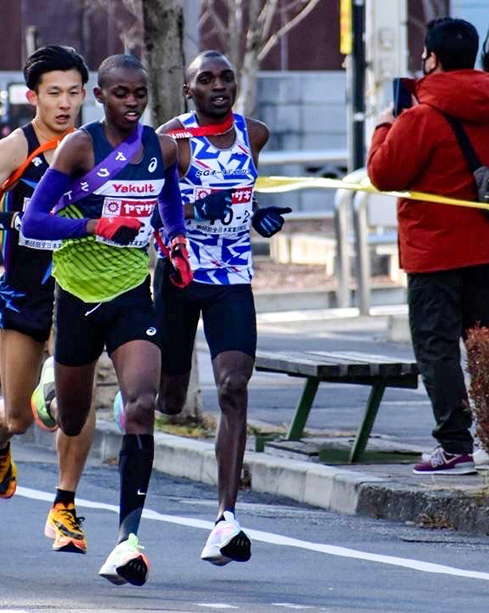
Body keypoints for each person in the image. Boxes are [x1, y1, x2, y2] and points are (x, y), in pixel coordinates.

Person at [19, 54, 191, 587]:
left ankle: (128, 539)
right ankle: (52, 381)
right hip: (75, 295)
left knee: (140, 404)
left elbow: (170, 204)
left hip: (131, 295)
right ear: (102, 97)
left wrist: (177, 240)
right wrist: (96, 224)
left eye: (140, 93)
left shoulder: (160, 149)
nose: (133, 101)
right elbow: (34, 219)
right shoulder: (80, 147)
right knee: (72, 419)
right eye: (121, 93)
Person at [129, 50, 284, 566]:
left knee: (232, 387)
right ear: (188, 91)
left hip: (232, 280)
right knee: (169, 402)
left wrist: (258, 218)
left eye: (226, 77)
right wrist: (196, 208)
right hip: (179, 277)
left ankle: (225, 519)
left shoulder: (253, 134)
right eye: (206, 79)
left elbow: (242, 198)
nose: (219, 86)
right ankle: (130, 404)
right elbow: (140, 205)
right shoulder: (171, 141)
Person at [0, 46, 96, 555]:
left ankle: (64, 506)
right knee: (18, 418)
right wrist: (13, 220)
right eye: (54, 93)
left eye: (74, 92)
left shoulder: (100, 145)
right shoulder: (15, 147)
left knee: (76, 403)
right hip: (25, 290)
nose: (64, 103)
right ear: (32, 96)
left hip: (81, 287)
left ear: (87, 94)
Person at [366, 18, 489, 475]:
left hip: (434, 253)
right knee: (486, 346)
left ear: (432, 58)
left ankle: (455, 444)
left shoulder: (420, 116)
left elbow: (384, 174)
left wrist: (384, 127)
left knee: (438, 349)